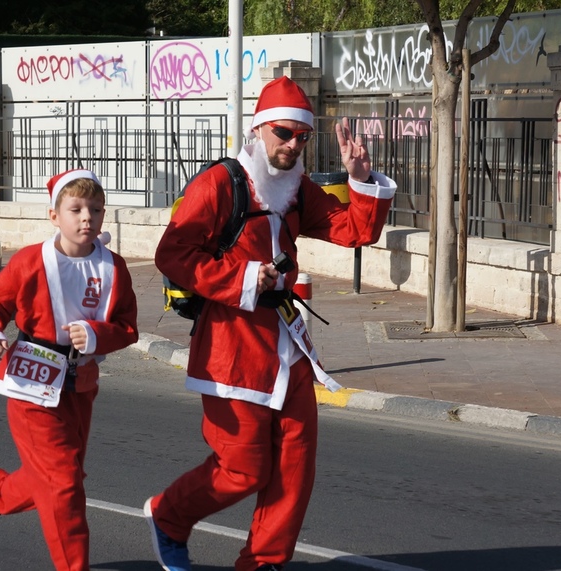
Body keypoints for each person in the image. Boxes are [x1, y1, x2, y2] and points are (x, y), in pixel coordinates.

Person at [143, 76, 397, 571]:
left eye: (302, 137)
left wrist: (361, 178)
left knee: (295, 467)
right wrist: (241, 277)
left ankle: (263, 563)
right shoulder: (220, 182)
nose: (293, 145)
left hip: (287, 341)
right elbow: (172, 253)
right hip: (231, 344)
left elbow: (354, 230)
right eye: (284, 134)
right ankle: (168, 517)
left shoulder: (297, 187)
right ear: (258, 130)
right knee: (242, 468)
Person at [0, 169, 138, 571]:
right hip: (30, 381)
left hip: (80, 385)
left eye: (96, 210)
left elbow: (128, 327)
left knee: (65, 476)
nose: (87, 218)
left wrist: (96, 335)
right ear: (54, 215)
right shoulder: (31, 261)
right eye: (76, 209)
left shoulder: (112, 267)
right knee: (63, 484)